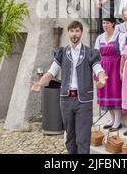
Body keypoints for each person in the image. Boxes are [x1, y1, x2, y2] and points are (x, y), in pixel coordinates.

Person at [31, 21, 107, 154]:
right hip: (66, 101)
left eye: (77, 31)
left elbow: (98, 69)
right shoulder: (62, 53)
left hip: (83, 101)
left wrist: (101, 78)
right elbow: (51, 72)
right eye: (72, 31)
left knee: (83, 138)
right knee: (70, 137)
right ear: (68, 33)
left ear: (81, 32)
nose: (74, 34)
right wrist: (40, 83)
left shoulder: (90, 53)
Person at [94, 18, 123, 131]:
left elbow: (123, 53)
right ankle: (112, 119)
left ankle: (118, 121)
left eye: (107, 23)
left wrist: (121, 69)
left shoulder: (119, 36)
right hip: (102, 68)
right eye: (103, 23)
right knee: (105, 92)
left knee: (114, 91)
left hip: (115, 66)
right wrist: (95, 70)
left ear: (113, 24)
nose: (105, 25)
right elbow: (96, 55)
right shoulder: (100, 37)